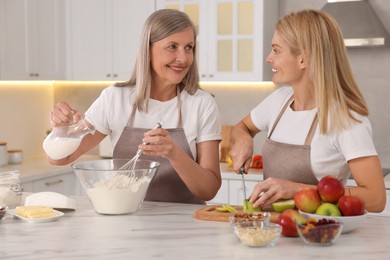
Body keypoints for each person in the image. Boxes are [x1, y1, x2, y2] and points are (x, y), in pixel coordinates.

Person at [47, 9, 222, 204]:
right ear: (147, 50)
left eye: (189, 47)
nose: (183, 58)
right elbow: (59, 159)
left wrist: (173, 153)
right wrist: (60, 128)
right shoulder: (115, 99)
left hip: (186, 226)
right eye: (172, 46)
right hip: (125, 220)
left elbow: (209, 190)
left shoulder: (201, 103)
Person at [229, 9, 386, 212]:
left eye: (276, 50)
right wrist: (243, 138)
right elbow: (241, 127)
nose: (269, 58)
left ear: (303, 59)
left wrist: (298, 190)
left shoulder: (345, 118)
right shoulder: (278, 101)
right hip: (271, 232)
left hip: (317, 235)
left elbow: (376, 198)